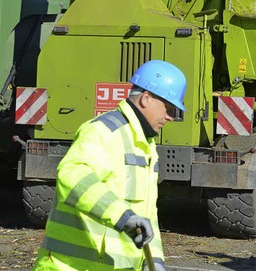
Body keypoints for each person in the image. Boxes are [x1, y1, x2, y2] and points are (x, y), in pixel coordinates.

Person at [32, 60, 187, 271]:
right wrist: (123, 217)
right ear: (146, 98)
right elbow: (72, 175)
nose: (169, 117)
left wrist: (155, 261)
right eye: (168, 108)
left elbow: (148, 214)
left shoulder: (145, 145)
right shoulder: (104, 131)